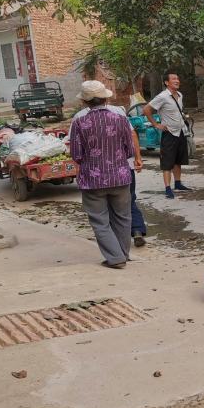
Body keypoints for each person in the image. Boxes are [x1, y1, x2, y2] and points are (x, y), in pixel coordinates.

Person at [69, 80, 136, 269]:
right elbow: (129, 150)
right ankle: (122, 254)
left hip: (93, 180)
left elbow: (76, 154)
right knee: (123, 217)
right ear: (105, 99)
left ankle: (116, 258)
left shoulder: (80, 122)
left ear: (85, 102)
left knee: (100, 221)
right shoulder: (120, 119)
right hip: (121, 176)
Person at [143, 72, 192, 199]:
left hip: (180, 131)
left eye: (178, 78)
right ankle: (167, 188)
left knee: (178, 160)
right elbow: (146, 109)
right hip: (169, 133)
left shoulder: (180, 95)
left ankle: (178, 183)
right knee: (167, 162)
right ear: (166, 82)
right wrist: (156, 124)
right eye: (174, 79)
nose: (177, 80)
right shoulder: (162, 96)